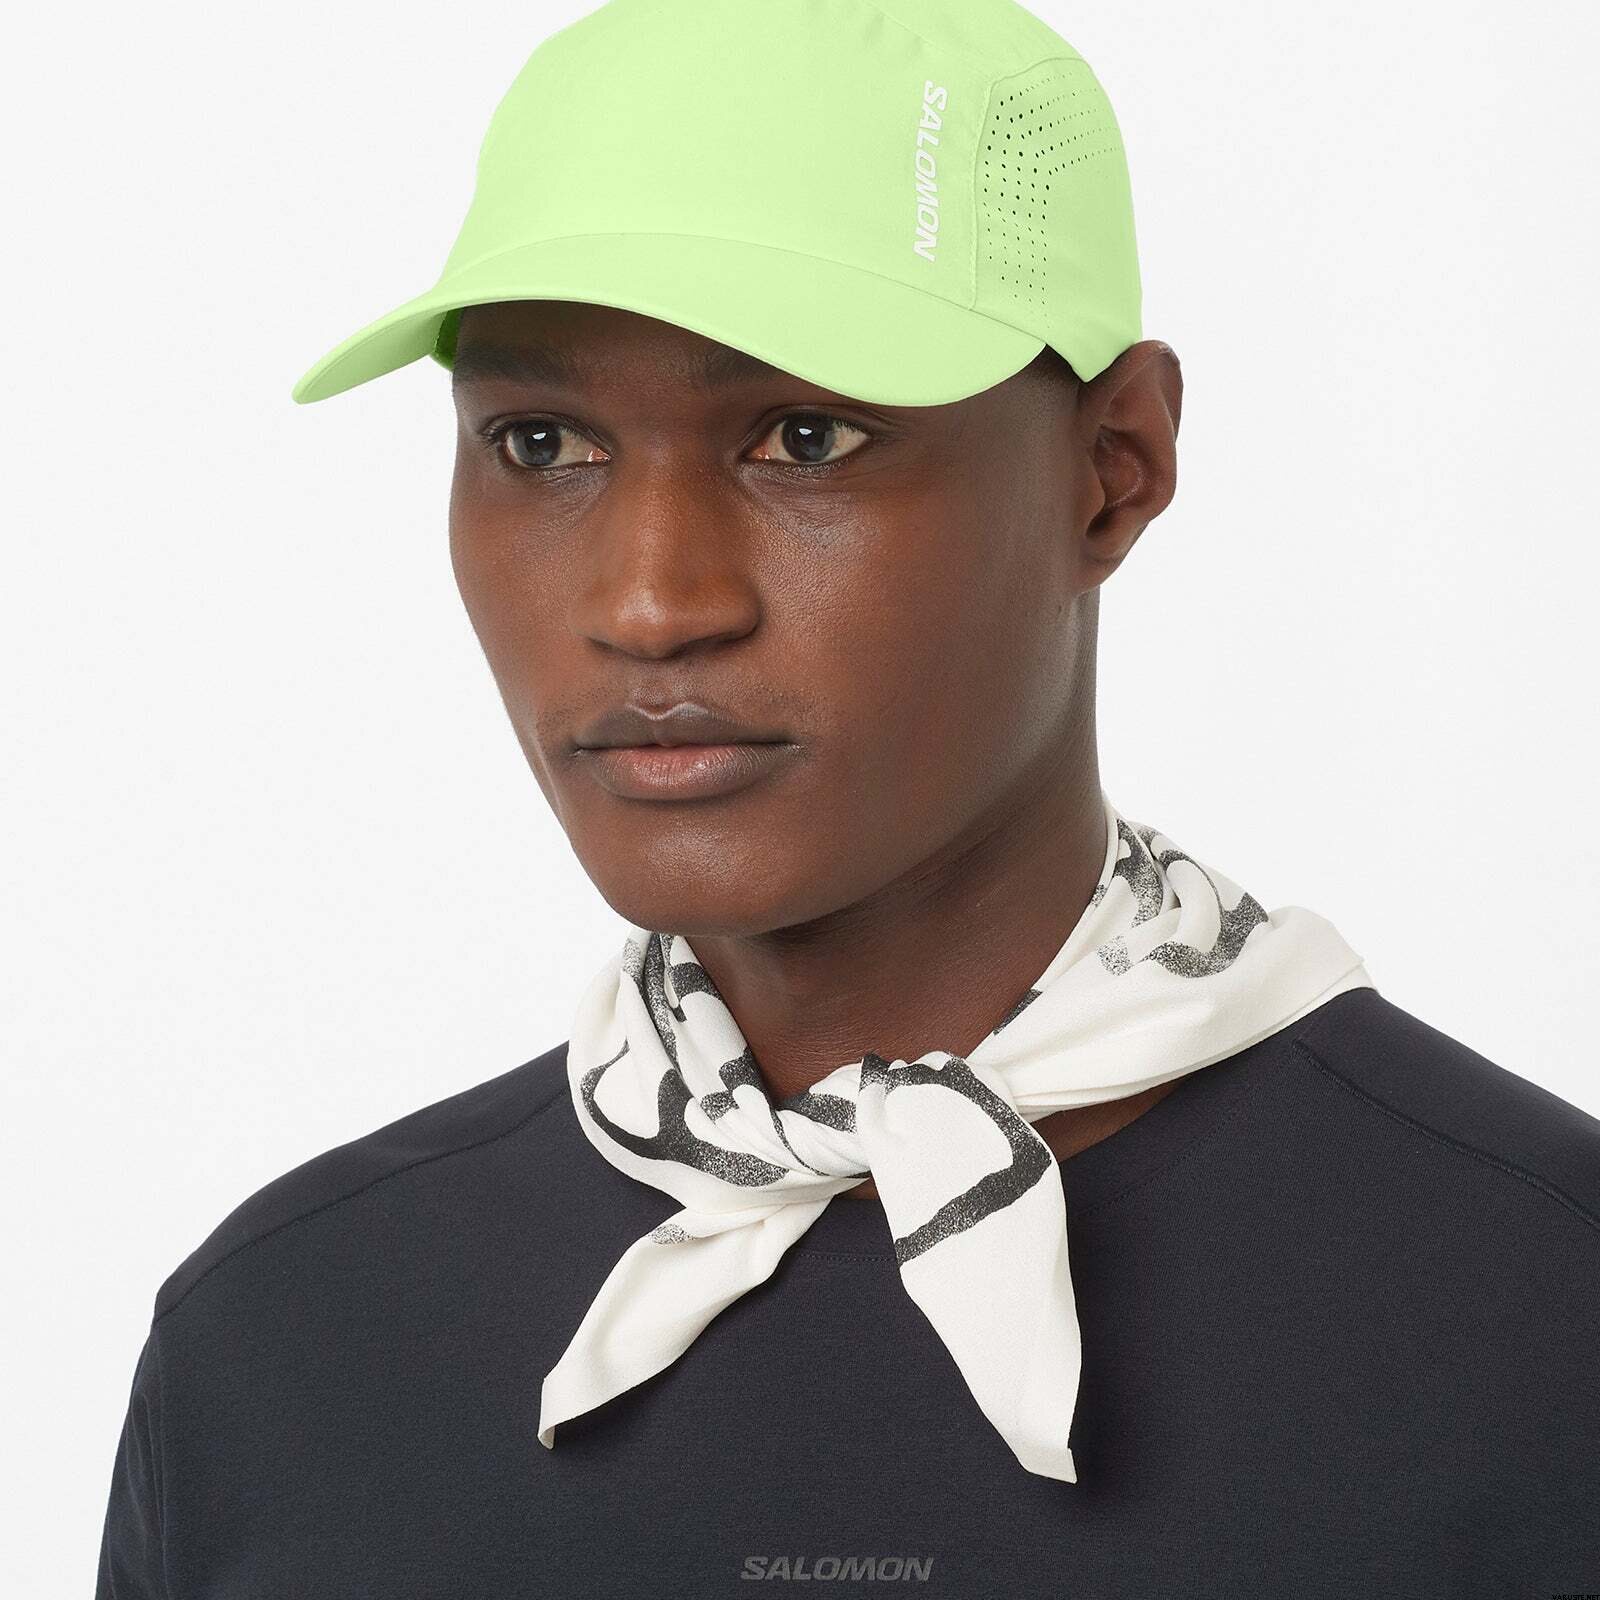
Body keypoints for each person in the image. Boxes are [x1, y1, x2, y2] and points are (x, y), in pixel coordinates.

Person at [97, 1, 1600, 1594]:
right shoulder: (282, 1347)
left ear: (1115, 466)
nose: (652, 602)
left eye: (804, 438)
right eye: (541, 443)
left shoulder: (1544, 1318)